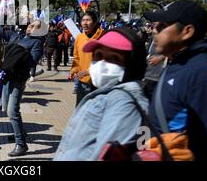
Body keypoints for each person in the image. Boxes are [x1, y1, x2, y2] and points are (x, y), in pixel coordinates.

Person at [54, 27, 148, 161]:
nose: (102, 64)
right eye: (98, 56)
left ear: (132, 64)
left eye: (114, 58)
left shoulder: (124, 103)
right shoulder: (108, 94)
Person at [144, 0, 207, 160]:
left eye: (161, 26)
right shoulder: (178, 61)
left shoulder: (204, 73)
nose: (154, 31)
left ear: (187, 31)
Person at [0, 20, 43, 157]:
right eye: (30, 25)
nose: (31, 28)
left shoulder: (36, 43)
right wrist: (2, 14)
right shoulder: (16, 36)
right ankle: (20, 132)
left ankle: (21, 144)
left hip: (18, 79)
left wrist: (18, 54)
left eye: (36, 27)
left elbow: (32, 62)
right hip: (7, 77)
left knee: (12, 111)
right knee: (6, 108)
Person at [68, 11, 104, 104]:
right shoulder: (79, 38)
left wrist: (90, 71)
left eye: (88, 20)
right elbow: (77, 58)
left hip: (100, 83)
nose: (84, 23)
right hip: (83, 82)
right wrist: (73, 70)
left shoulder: (104, 38)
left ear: (95, 22)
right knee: (81, 110)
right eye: (83, 20)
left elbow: (108, 61)